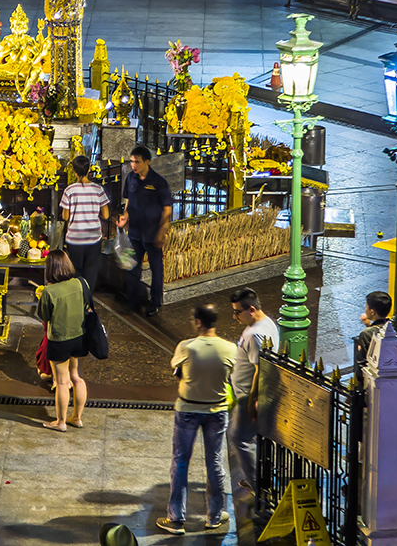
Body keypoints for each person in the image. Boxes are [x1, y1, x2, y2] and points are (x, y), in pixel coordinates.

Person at [158, 303, 236, 535]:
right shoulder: (230, 348)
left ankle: (176, 518)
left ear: (199, 322)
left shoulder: (187, 347)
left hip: (188, 410)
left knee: (181, 462)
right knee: (214, 462)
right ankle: (213, 516)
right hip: (217, 411)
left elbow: (176, 367)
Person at [228, 288, 279, 527]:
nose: (236, 317)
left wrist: (251, 399)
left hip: (248, 396)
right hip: (247, 394)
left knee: (238, 437)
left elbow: (260, 369)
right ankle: (258, 478)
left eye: (238, 313)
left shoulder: (256, 334)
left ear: (251, 309)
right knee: (250, 438)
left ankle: (260, 487)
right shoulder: (266, 323)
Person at [116, 145, 172, 317]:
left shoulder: (158, 182)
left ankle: (155, 302)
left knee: (156, 269)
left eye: (137, 162)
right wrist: (125, 216)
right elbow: (128, 200)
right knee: (132, 267)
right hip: (134, 232)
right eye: (132, 161)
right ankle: (132, 301)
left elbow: (167, 209)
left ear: (147, 162)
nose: (133, 165)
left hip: (152, 233)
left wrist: (162, 231)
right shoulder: (131, 179)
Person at [37, 250, 88, 432]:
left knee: (62, 381)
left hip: (59, 340)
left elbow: (43, 315)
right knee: (76, 377)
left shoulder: (49, 291)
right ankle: (77, 418)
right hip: (79, 336)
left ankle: (60, 422)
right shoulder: (81, 283)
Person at [60, 155, 110, 292]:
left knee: (76, 272)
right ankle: (87, 303)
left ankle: (77, 300)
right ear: (89, 170)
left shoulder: (69, 191)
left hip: (74, 239)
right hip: (93, 238)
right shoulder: (98, 190)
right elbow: (106, 214)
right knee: (91, 272)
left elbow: (65, 216)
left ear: (74, 171)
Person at [353, 291, 392, 377]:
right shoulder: (394, 326)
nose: (365, 309)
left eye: (367, 307)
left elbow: (361, 363)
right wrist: (368, 325)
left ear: (372, 312)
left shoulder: (366, 334)